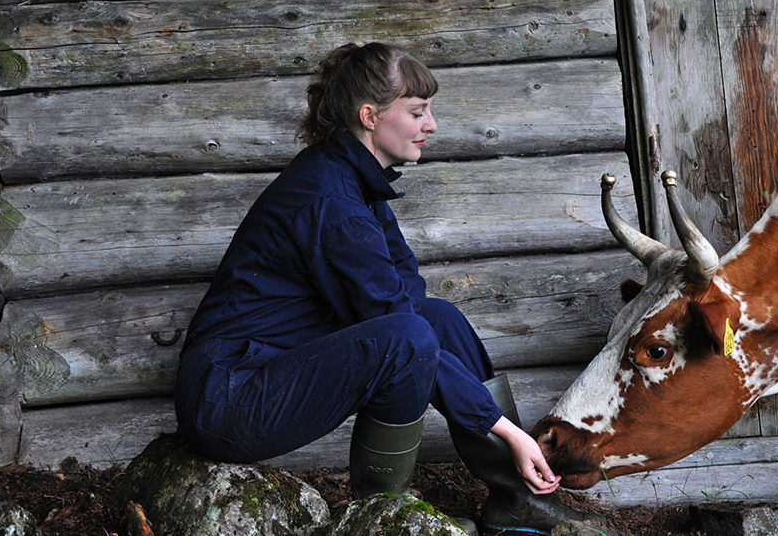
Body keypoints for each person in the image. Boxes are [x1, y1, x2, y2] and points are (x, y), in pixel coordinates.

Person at [174, 42, 593, 534]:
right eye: (417, 112)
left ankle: (516, 500)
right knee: (408, 339)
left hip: (267, 368)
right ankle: (378, 515)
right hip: (230, 399)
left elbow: (408, 298)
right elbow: (396, 326)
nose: (431, 125)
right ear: (370, 115)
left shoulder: (355, 182)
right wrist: (509, 432)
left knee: (439, 319)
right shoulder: (330, 201)